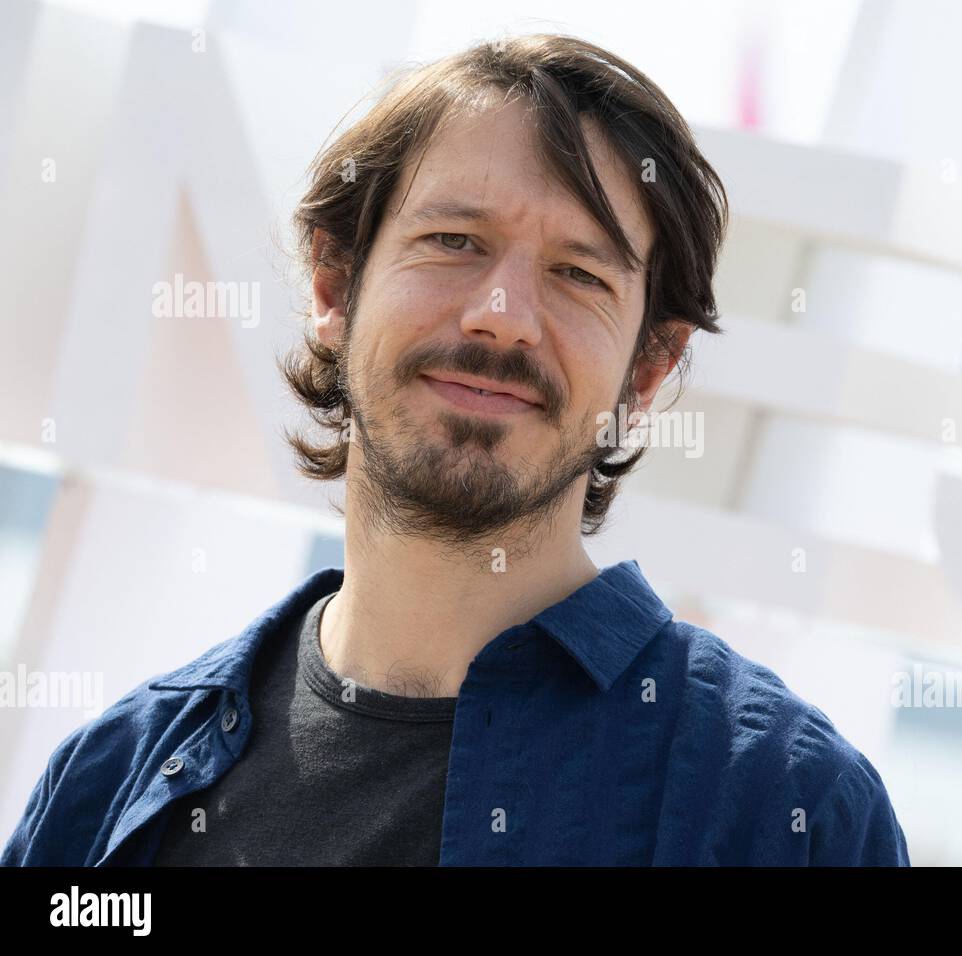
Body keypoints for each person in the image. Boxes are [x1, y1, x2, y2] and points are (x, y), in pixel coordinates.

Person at [2, 33, 909, 866]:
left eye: (578, 275)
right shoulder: (109, 787)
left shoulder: (778, 810)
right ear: (334, 281)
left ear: (649, 367)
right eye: (453, 241)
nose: (502, 315)